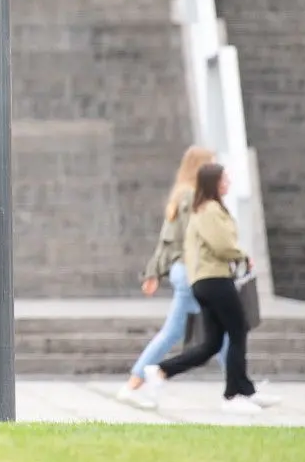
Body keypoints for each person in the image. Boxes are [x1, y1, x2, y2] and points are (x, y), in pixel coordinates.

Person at [142, 163, 280, 413]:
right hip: (214, 280)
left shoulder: (205, 209)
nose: (228, 183)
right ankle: (234, 395)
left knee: (211, 345)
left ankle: (162, 371)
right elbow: (222, 244)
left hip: (206, 281)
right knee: (238, 330)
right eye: (224, 179)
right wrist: (242, 255)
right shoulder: (210, 210)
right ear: (213, 183)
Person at [115, 145, 232, 410]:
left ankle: (239, 387)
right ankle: (238, 388)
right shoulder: (192, 197)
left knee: (187, 332)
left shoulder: (181, 194)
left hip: (184, 271)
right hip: (193, 270)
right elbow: (197, 238)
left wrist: (154, 271)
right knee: (215, 331)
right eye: (211, 164)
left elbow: (166, 241)